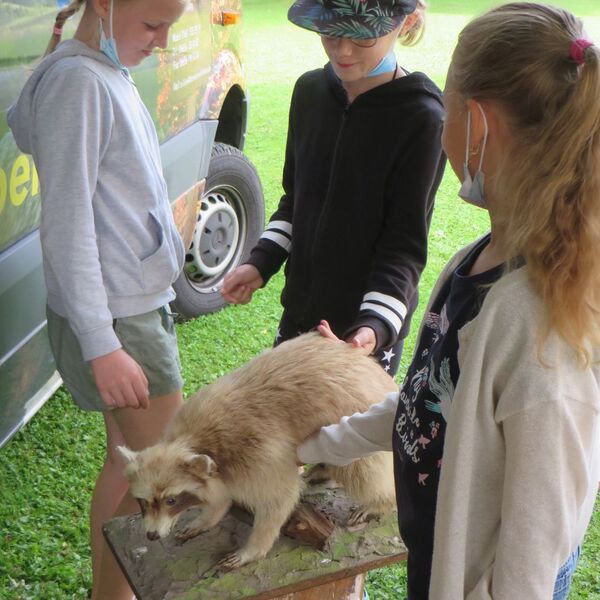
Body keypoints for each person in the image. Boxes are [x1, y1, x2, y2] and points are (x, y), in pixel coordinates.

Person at [297, 3, 600, 599]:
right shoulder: (469, 266)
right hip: (439, 560)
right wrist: (314, 444)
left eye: (450, 113)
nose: (442, 130)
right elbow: (425, 406)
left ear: (479, 124)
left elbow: (534, 552)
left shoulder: (538, 328)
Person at [8, 0, 188, 598]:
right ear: (106, 5)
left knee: (130, 462)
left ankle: (111, 595)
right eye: (153, 24)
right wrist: (102, 342)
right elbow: (65, 223)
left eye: (171, 27)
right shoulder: (80, 81)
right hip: (119, 314)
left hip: (124, 303)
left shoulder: (88, 66)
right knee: (158, 470)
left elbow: (19, 121)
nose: (161, 42)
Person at [221, 0, 446, 376]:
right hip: (299, 318)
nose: (342, 50)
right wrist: (262, 261)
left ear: (404, 23)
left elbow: (404, 246)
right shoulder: (309, 92)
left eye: (362, 36)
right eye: (331, 31)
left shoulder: (423, 119)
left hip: (365, 336)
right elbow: (296, 201)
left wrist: (372, 328)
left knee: (347, 434)